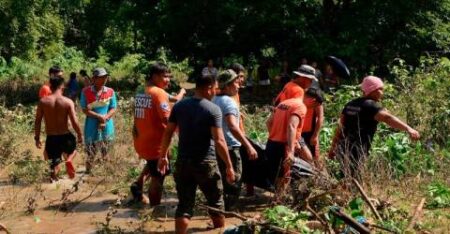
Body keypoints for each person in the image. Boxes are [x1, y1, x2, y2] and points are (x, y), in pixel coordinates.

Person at [157, 75, 235, 233]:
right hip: (206, 163)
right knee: (216, 202)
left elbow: (168, 133)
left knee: (184, 205)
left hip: (183, 162)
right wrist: (229, 165)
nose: (216, 91)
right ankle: (219, 231)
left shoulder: (179, 106)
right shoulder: (213, 109)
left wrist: (163, 156)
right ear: (208, 88)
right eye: (215, 88)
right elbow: (219, 140)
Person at [329, 76, 420, 180]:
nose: (382, 92)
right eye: (380, 89)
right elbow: (388, 118)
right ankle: (348, 195)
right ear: (372, 90)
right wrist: (409, 129)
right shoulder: (371, 106)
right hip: (357, 150)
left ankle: (343, 194)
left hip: (343, 148)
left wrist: (333, 148)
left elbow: (340, 128)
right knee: (353, 181)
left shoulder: (350, 104)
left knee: (346, 178)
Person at [213, 70, 258, 211]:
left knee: (221, 181)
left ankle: (219, 211)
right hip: (231, 147)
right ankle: (229, 212)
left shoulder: (214, 99)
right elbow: (232, 126)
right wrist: (248, 146)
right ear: (226, 86)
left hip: (216, 145)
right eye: (235, 83)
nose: (238, 86)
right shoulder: (228, 102)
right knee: (234, 182)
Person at [130, 63, 172, 206]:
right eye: (164, 76)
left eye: (168, 77)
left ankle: (138, 183)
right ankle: (155, 208)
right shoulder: (158, 93)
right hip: (156, 144)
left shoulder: (141, 90)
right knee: (158, 176)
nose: (168, 80)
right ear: (154, 76)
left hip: (142, 140)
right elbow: (168, 119)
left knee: (152, 164)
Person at [34, 76, 83, 181]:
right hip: (65, 135)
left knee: (53, 163)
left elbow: (37, 121)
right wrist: (79, 134)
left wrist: (37, 138)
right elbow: (74, 121)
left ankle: (53, 176)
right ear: (62, 87)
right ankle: (69, 160)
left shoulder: (43, 102)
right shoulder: (68, 101)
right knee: (73, 150)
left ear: (50, 87)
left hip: (51, 137)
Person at [266, 95, 309, 197]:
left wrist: (275, 134)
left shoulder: (283, 103)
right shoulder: (300, 106)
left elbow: (268, 122)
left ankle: (277, 199)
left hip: (272, 142)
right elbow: (291, 126)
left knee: (277, 175)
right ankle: (280, 202)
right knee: (285, 176)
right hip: (284, 145)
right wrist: (291, 151)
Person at [80, 68, 117, 174]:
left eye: (105, 77)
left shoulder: (110, 91)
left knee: (106, 148)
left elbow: (113, 107)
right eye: (101, 77)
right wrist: (99, 117)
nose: (104, 79)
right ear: (94, 79)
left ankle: (106, 172)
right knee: (91, 149)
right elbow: (84, 109)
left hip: (107, 124)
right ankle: (88, 171)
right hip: (91, 124)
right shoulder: (86, 91)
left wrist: (105, 118)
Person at [301, 88, 324, 167]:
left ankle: (319, 175)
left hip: (310, 132)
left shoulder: (317, 101)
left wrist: (315, 135)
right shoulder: (298, 98)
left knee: (315, 157)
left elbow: (320, 118)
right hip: (298, 133)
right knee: (304, 156)